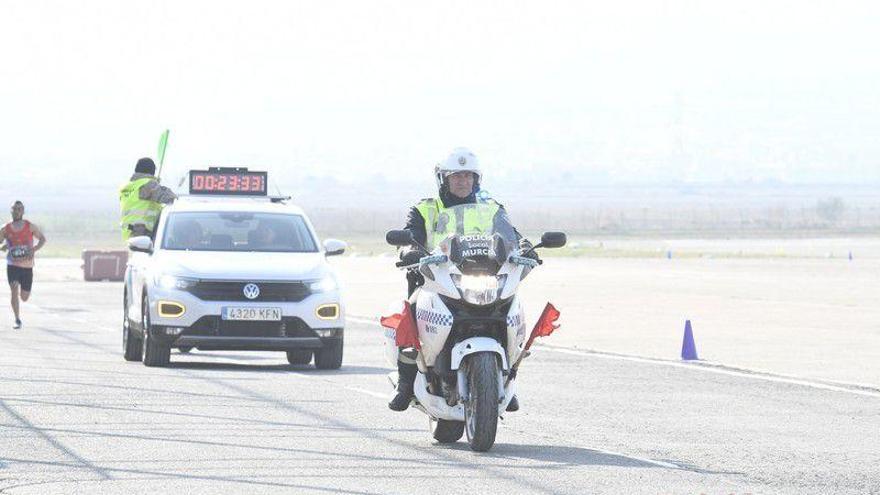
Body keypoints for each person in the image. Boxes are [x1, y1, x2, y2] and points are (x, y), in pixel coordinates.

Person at [388, 147, 534, 412]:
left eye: (468, 176)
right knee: (407, 312)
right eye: (456, 176)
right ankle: (405, 383)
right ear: (444, 179)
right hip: (435, 280)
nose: (463, 181)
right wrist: (408, 249)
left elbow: (512, 235)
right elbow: (411, 235)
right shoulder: (426, 209)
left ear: (476, 180)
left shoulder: (491, 209)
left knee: (513, 310)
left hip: (485, 278)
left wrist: (526, 248)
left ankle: (506, 378)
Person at [1, 201, 46, 329]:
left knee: (24, 297)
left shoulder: (29, 226)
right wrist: (3, 246)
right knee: (14, 288)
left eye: (19, 209)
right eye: (15, 209)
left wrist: (34, 249)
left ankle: (23, 295)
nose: (17, 211)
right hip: (12, 265)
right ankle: (17, 319)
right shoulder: (5, 228)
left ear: (23, 211)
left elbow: (42, 239)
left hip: (27, 266)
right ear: (11, 211)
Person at [119, 157, 177, 241]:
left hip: (129, 232)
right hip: (143, 232)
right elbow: (170, 198)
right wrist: (156, 184)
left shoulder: (127, 187)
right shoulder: (147, 184)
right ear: (152, 172)